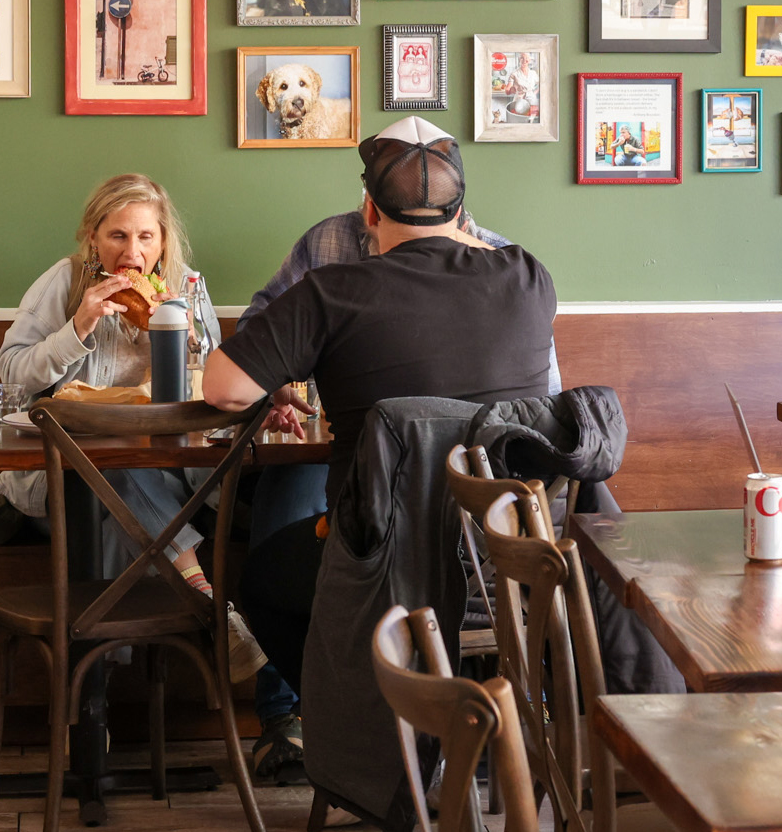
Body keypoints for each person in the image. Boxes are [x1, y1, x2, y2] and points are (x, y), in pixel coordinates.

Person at [234, 117, 565, 782]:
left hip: (385, 544)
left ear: (368, 203)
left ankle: (376, 720)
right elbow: (548, 409)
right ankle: (409, 722)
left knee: (261, 572)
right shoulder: (523, 273)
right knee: (287, 504)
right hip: (512, 546)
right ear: (459, 208)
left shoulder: (339, 286)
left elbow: (224, 380)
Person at [0, 173, 266, 680]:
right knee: (107, 471)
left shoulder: (185, 289)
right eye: (117, 235)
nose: (131, 251)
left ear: (163, 241)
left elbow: (216, 389)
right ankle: (207, 606)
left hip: (169, 479)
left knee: (120, 507)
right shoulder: (67, 281)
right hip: (64, 480)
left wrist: (187, 341)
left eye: (145, 236)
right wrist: (79, 327)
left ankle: (95, 697)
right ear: (93, 237)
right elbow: (10, 368)